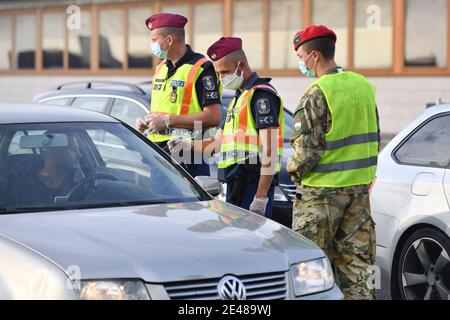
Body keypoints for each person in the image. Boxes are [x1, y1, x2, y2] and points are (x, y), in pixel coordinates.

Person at [287, 25, 380, 300]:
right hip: (359, 195)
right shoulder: (363, 86)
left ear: (314, 56)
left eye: (301, 55)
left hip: (320, 198)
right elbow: (374, 135)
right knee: (358, 271)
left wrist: (292, 171)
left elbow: (306, 153)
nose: (300, 62)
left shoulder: (317, 92)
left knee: (310, 272)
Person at [168, 37, 284, 218]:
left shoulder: (261, 97)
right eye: (218, 74)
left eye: (225, 72)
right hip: (235, 186)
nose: (221, 79)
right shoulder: (239, 100)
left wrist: (260, 197)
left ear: (242, 65)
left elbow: (270, 148)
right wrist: (187, 144)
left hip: (253, 186)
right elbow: (217, 144)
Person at [136, 13, 221, 177]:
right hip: (159, 154)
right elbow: (164, 110)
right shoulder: (160, 68)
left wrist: (168, 121)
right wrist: (148, 122)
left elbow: (213, 116)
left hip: (187, 156)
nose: (151, 45)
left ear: (169, 40)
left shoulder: (202, 69)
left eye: (154, 39)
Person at [15, 133, 83, 206]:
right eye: (74, 149)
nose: (80, 155)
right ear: (54, 153)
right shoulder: (23, 187)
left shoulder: (80, 181)